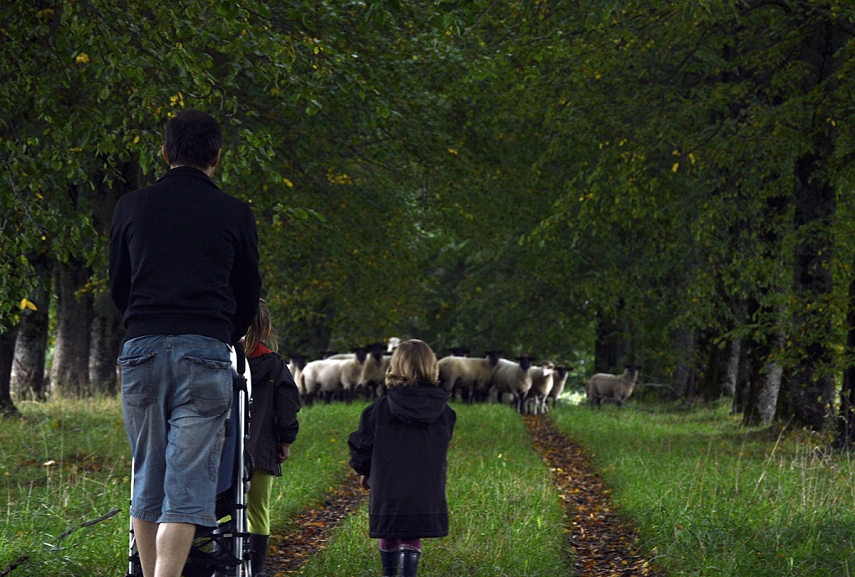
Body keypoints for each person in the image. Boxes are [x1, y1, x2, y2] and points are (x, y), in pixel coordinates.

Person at [110, 109, 261, 577]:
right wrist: (222, 334)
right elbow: (247, 291)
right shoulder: (236, 212)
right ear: (217, 156)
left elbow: (119, 285)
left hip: (142, 349)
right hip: (206, 350)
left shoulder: (130, 207)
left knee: (147, 471)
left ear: (164, 152)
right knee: (188, 479)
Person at [348, 339, 457, 577]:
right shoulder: (445, 412)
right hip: (425, 484)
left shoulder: (379, 409)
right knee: (411, 532)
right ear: (432, 366)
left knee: (390, 528)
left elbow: (363, 443)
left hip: (388, 482)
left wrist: (364, 471)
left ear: (396, 365)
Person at [244, 299, 301, 577]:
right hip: (261, 450)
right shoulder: (275, 365)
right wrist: (285, 439)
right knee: (258, 512)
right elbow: (287, 404)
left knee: (222, 505)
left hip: (219, 451)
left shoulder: (220, 360)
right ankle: (255, 570)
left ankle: (221, 560)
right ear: (267, 331)